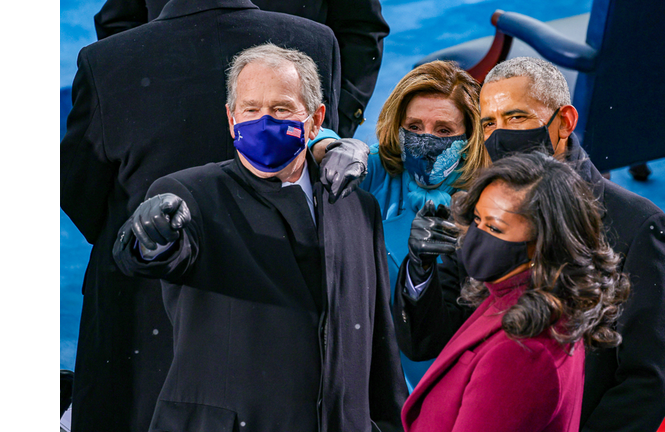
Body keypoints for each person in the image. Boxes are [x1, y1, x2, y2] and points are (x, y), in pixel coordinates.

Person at [59, 1, 365, 430]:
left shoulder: (105, 60)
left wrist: (144, 236)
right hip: (281, 334)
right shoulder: (314, 42)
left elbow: (79, 193)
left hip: (143, 328)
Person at [111, 43, 406, 431]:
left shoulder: (358, 207)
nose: (263, 121)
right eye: (250, 110)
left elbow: (378, 343)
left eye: (281, 108)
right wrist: (149, 235)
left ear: (316, 120)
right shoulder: (190, 194)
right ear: (232, 119)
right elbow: (150, 256)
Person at [394, 57, 665, 431]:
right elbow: (427, 342)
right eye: (489, 123)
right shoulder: (478, 207)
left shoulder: (638, 225)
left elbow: (644, 382)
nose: (500, 135)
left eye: (516, 118)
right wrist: (420, 271)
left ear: (564, 122)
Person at [401, 153, 630, 431]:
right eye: (477, 220)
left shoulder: (523, 353)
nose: (476, 235)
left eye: (495, 227)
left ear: (542, 243)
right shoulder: (516, 295)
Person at [311, 60, 490, 391]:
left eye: (444, 130)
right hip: (368, 367)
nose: (426, 141)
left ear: (469, 136)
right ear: (398, 127)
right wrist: (331, 145)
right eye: (415, 127)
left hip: (446, 373)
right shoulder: (378, 170)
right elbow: (302, 136)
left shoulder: (487, 198)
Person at [93, 0, 390, 138]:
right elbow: (119, 24)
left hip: (285, 134)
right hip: (172, 133)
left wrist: (326, 126)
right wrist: (137, 120)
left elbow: (360, 30)